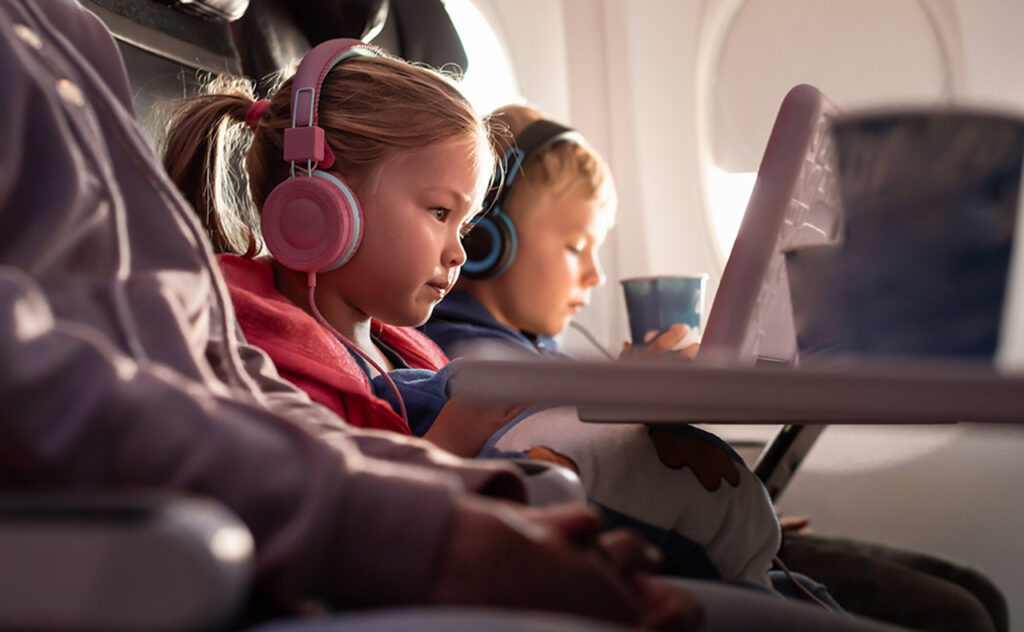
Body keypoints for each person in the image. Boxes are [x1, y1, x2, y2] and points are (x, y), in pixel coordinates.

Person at [0, 1, 712, 627]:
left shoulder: (70, 40)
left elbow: (248, 400)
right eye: (439, 213)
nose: (458, 254)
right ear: (317, 211)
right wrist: (432, 532)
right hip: (165, 558)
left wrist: (477, 502)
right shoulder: (266, 314)